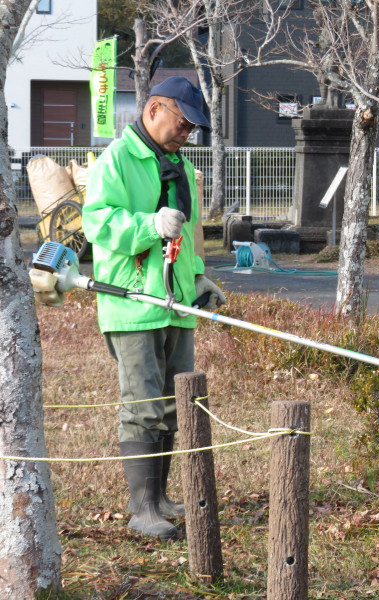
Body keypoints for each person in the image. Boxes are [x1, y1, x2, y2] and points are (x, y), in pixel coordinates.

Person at [82, 76, 226, 540]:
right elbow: (96, 222)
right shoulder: (117, 160)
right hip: (133, 301)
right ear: (153, 111)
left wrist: (198, 276)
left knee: (173, 402)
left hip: (177, 303)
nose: (186, 135)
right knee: (143, 405)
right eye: (181, 125)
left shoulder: (179, 166)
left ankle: (160, 498)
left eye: (191, 129)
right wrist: (148, 225)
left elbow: (192, 232)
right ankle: (141, 507)